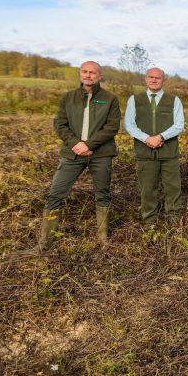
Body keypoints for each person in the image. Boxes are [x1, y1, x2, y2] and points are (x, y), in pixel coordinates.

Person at [37, 61, 120, 250]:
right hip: (72, 154)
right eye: (85, 71)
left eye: (93, 72)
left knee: (102, 195)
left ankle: (102, 240)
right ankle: (45, 243)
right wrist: (76, 144)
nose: (88, 75)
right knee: (55, 194)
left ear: (100, 76)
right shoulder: (68, 97)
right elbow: (60, 124)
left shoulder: (110, 99)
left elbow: (112, 127)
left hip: (101, 154)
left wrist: (88, 145)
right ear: (80, 74)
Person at [124, 67, 185, 224]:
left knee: (173, 188)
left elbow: (179, 125)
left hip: (169, 153)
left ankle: (174, 221)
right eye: (151, 77)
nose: (154, 80)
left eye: (158, 77)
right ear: (145, 79)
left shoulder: (174, 100)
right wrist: (146, 139)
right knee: (147, 189)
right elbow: (129, 125)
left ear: (164, 80)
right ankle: (149, 222)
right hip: (145, 153)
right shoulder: (134, 100)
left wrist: (161, 137)